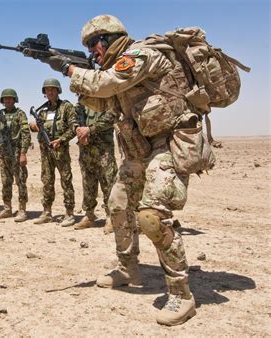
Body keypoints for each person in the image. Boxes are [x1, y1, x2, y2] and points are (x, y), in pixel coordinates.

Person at [41, 15, 197, 326]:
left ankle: (182, 294)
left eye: (92, 44)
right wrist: (81, 85)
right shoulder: (116, 69)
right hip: (139, 149)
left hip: (168, 145)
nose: (91, 51)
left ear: (109, 39)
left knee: (152, 217)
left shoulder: (140, 54)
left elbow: (107, 83)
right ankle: (129, 269)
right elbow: (106, 102)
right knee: (118, 205)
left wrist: (65, 67)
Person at [29, 79, 77, 227]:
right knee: (47, 181)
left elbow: (73, 128)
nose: (50, 92)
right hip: (45, 152)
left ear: (58, 91)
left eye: (53, 89)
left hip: (61, 151)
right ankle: (47, 212)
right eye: (47, 90)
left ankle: (69, 213)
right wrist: (33, 127)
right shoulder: (42, 111)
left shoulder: (66, 107)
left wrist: (61, 140)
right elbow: (37, 128)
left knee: (66, 181)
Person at [74, 105, 117, 232]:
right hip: (86, 150)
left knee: (108, 182)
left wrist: (89, 130)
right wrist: (79, 131)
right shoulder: (80, 105)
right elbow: (73, 120)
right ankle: (89, 215)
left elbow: (109, 119)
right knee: (88, 183)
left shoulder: (107, 100)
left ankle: (111, 217)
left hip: (104, 151)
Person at [0, 88, 31, 222]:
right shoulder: (0, 116)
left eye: (10, 98)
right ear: (2, 101)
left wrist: (23, 153)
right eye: (5, 99)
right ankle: (7, 208)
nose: (8, 100)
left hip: (16, 152)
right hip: (4, 154)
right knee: (5, 182)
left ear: (14, 100)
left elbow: (26, 135)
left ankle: (22, 210)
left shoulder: (20, 114)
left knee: (20, 182)